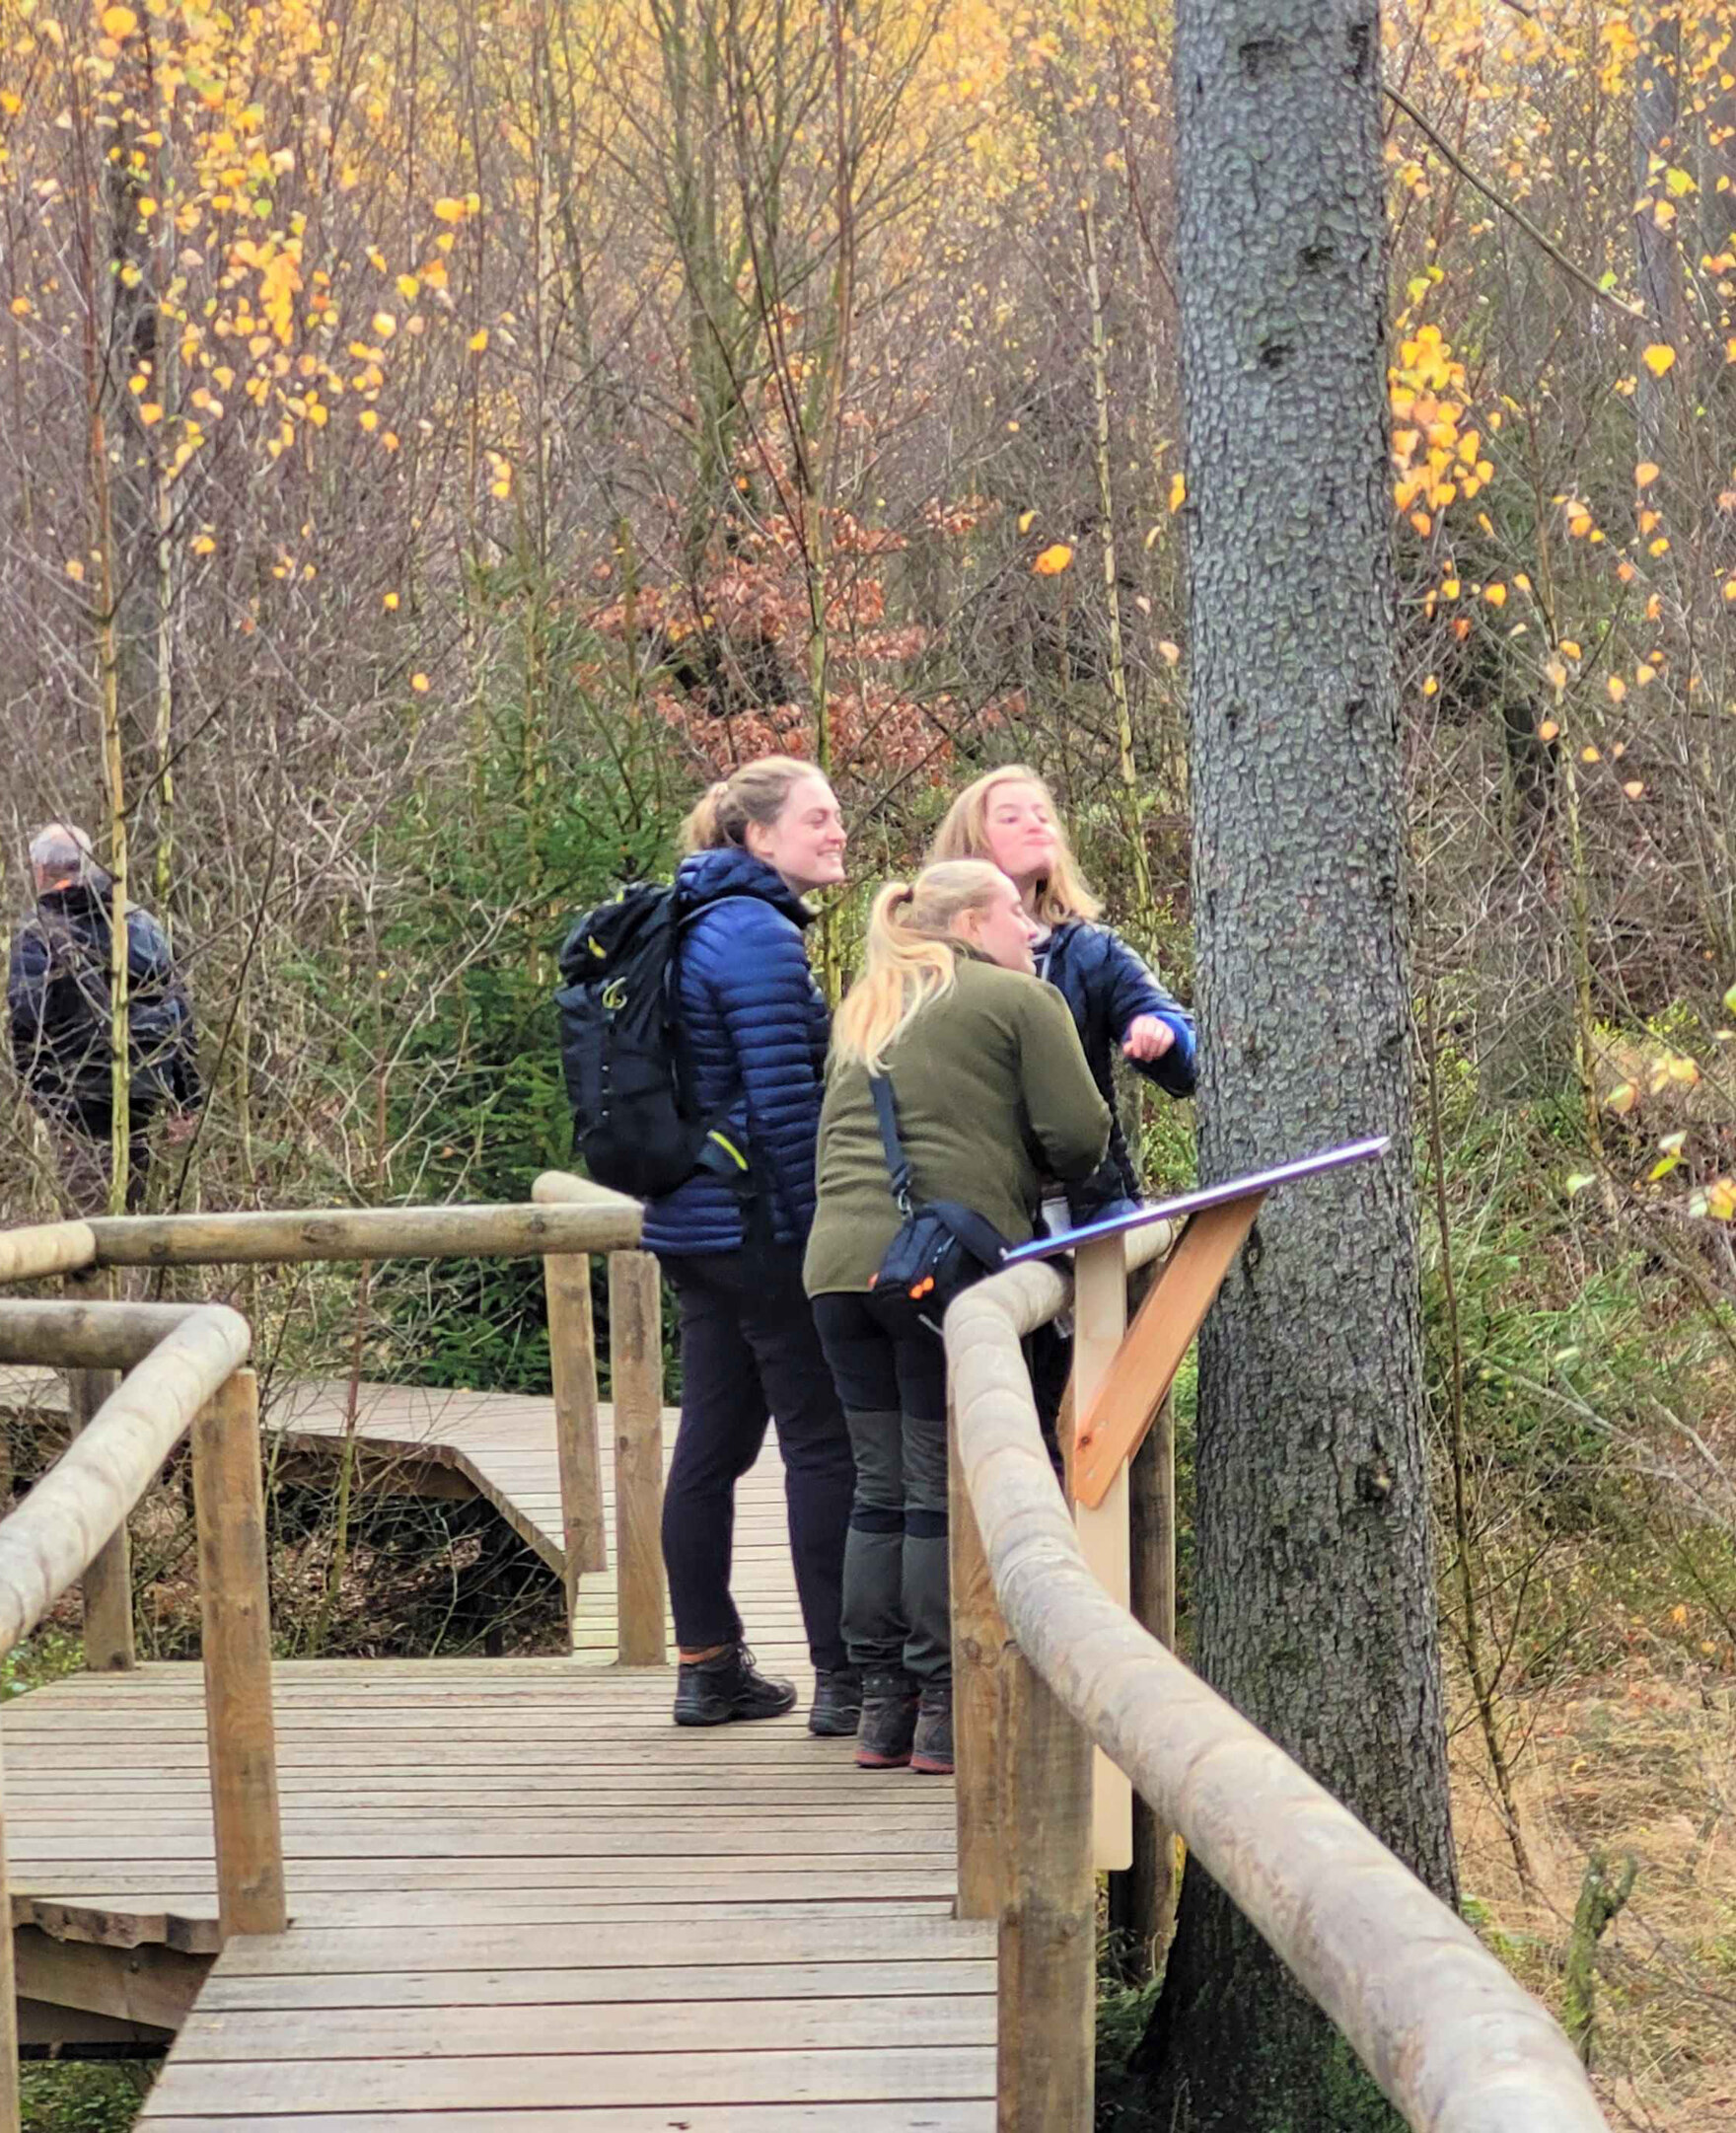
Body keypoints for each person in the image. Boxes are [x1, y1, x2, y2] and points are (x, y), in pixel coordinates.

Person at [804, 861, 1111, 1775]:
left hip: (836, 1275)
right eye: (1017, 913)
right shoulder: (1018, 1001)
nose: (1032, 929)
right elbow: (1080, 1136)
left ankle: (879, 1713)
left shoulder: (866, 1004)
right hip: (940, 1280)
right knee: (939, 1487)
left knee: (878, 1488)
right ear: (976, 919)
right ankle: (944, 1710)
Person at [639, 756, 860, 1736]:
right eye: (817, 816)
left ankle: (707, 1663)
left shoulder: (685, 919)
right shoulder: (757, 934)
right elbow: (784, 1108)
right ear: (756, 836)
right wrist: (827, 1244)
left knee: (713, 1445)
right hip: (760, 1225)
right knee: (825, 1447)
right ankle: (845, 1679)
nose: (836, 829)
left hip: (689, 1223)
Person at [929, 765, 1195, 1222]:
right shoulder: (928, 960)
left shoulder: (1090, 949)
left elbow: (1189, 1057)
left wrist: (1161, 1034)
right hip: (980, 1214)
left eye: (1042, 815)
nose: (1035, 824)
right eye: (1010, 817)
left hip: (1090, 1206)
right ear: (970, 846)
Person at [7, 824, 200, 1216]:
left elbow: (27, 1019)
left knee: (88, 1220)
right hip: (144, 1085)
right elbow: (178, 1009)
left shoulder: (38, 931)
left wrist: (38, 1090)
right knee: (135, 1210)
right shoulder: (140, 922)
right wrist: (187, 1098)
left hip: (77, 1093)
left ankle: (99, 1274)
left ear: (41, 870)